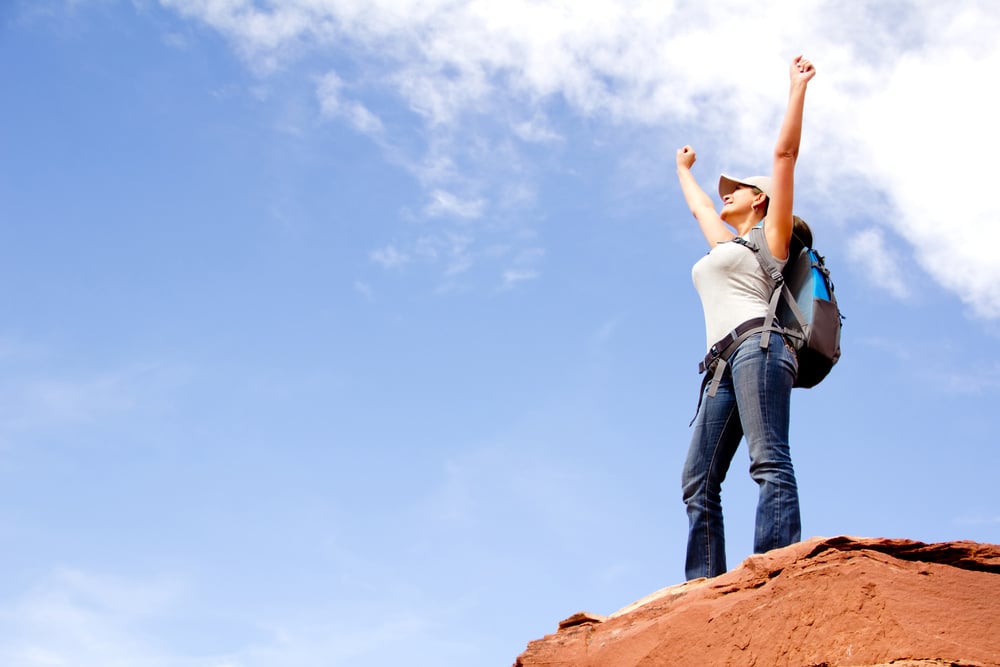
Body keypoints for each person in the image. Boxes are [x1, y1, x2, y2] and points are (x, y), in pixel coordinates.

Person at [674, 55, 816, 580]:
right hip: (720, 364)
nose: (724, 192)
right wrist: (682, 170)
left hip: (760, 347)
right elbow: (700, 211)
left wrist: (796, 88)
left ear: (761, 200)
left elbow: (785, 154)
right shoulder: (727, 247)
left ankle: (774, 569)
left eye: (736, 187)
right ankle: (704, 585)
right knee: (696, 478)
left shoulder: (769, 239)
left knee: (767, 459)